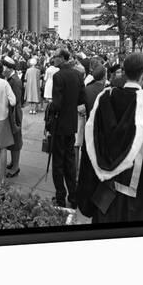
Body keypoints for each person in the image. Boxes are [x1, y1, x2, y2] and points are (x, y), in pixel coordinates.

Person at [77, 53, 143, 223]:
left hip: (104, 192)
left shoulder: (104, 97)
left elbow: (90, 143)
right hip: (135, 198)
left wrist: (87, 188)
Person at [49, 48, 86, 208]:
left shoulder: (58, 76)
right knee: (70, 162)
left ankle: (60, 196)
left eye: (55, 57)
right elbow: (81, 99)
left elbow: (56, 104)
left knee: (58, 162)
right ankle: (73, 196)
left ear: (62, 58)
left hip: (60, 124)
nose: (53, 59)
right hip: (71, 124)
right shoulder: (78, 75)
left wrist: (51, 107)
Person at [3, 56, 23, 178]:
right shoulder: (10, 78)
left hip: (14, 114)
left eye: (4, 66)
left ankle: (15, 167)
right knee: (12, 140)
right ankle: (13, 163)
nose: (2, 69)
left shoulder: (15, 81)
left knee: (16, 141)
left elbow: (15, 101)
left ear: (9, 68)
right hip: (11, 113)